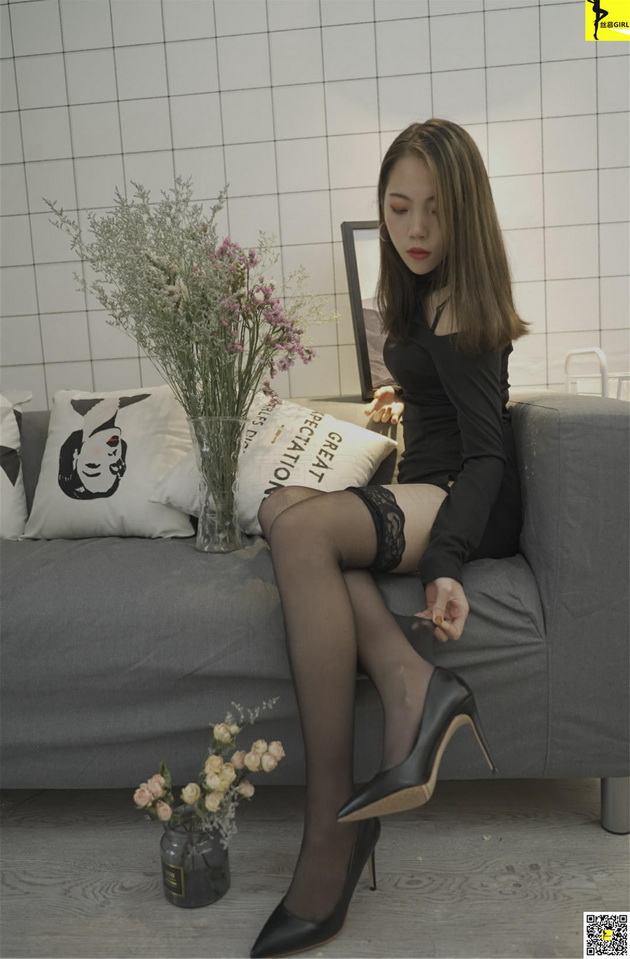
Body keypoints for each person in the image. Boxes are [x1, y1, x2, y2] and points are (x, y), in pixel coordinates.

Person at [250, 118, 529, 959]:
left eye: (434, 210)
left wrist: (446, 563)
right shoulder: (419, 290)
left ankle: (330, 828)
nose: (415, 228)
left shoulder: (462, 297)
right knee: (279, 506)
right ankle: (412, 680)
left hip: (467, 498)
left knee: (304, 533)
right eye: (399, 207)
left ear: (464, 212)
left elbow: (488, 455)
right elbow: (438, 408)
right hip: (429, 482)